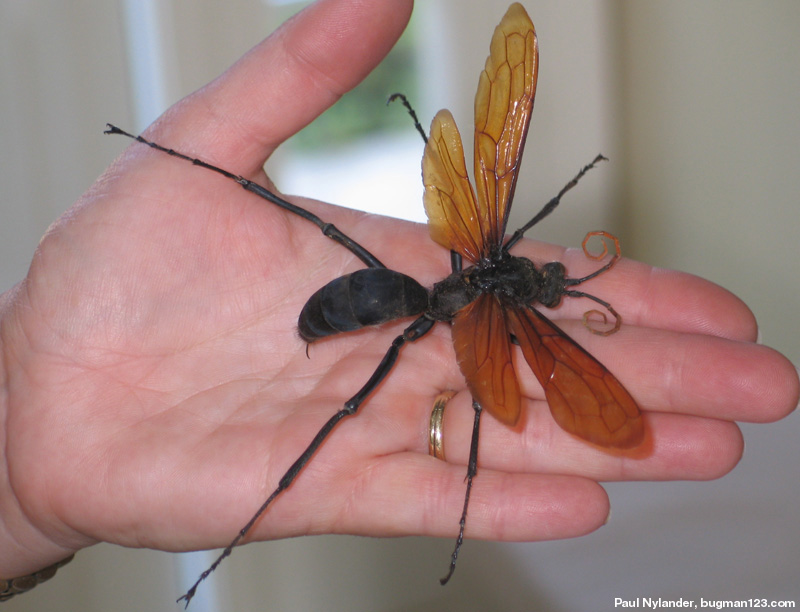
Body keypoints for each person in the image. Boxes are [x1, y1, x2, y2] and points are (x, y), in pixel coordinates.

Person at [1, 0, 797, 600]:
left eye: (553, 287)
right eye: (552, 286)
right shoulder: (508, 309)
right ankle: (190, 164)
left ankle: (238, 529)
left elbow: (493, 333)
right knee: (391, 389)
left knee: (392, 394)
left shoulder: (487, 263)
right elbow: (493, 370)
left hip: (391, 298)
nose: (552, 287)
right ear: (534, 293)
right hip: (379, 299)